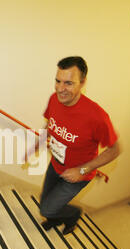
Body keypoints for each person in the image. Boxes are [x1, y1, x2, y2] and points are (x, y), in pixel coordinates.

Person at [38, 56, 121, 235]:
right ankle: (55, 219)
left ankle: (73, 215)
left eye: (68, 83)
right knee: (45, 203)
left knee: (46, 209)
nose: (60, 89)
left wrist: (82, 170)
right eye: (57, 81)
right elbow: (50, 122)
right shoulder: (54, 99)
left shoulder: (96, 116)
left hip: (77, 176)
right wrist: (41, 139)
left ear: (82, 82)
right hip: (56, 165)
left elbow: (115, 150)